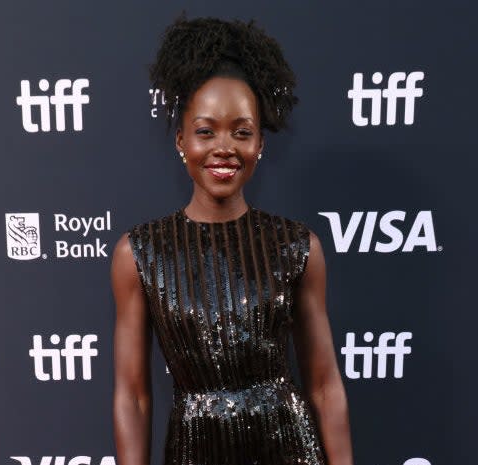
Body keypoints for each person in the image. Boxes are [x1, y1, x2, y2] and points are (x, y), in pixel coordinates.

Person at [111, 13, 353, 465]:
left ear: (260, 143)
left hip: (288, 449)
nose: (225, 147)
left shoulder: (297, 247)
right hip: (193, 451)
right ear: (181, 140)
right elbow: (133, 396)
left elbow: (324, 385)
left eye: (241, 132)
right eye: (206, 131)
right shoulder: (139, 253)